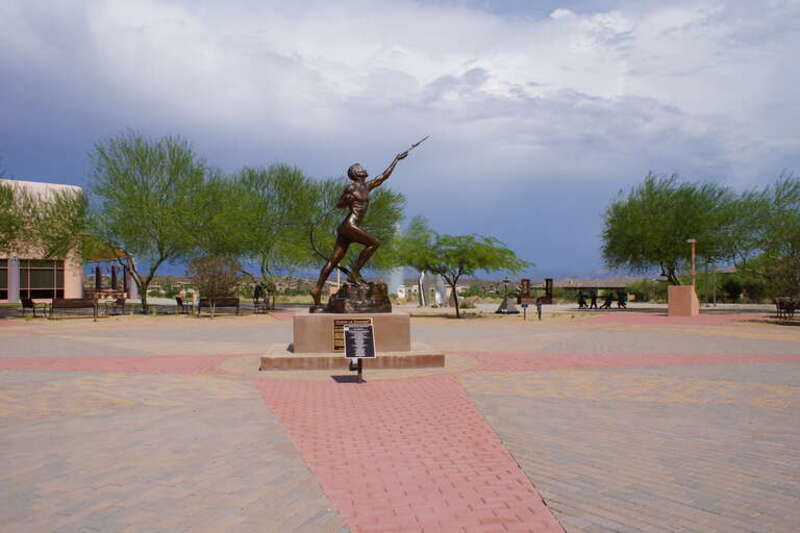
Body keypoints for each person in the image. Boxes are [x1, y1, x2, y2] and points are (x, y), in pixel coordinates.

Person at [310, 151, 408, 307]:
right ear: (356, 173)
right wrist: (345, 200)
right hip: (350, 224)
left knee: (334, 260)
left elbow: (384, 176)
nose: (364, 169)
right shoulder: (351, 187)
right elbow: (339, 205)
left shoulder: (366, 186)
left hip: (348, 227)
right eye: (360, 168)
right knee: (374, 243)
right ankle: (354, 273)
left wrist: (396, 160)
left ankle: (317, 289)